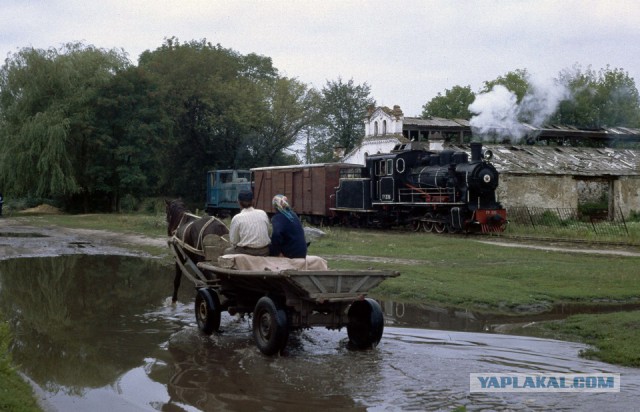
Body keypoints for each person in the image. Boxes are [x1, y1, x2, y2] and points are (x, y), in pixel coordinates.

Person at [224, 190, 271, 256]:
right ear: (253, 201)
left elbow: (234, 241)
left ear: (239, 202)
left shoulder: (237, 218)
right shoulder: (263, 213)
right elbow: (268, 233)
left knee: (227, 252)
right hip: (265, 251)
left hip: (246, 252)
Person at [270, 194, 307, 259]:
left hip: (291, 254)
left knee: (269, 247)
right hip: (302, 252)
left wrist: (276, 252)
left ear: (275, 206)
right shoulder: (293, 215)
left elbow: (276, 235)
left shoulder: (278, 217)